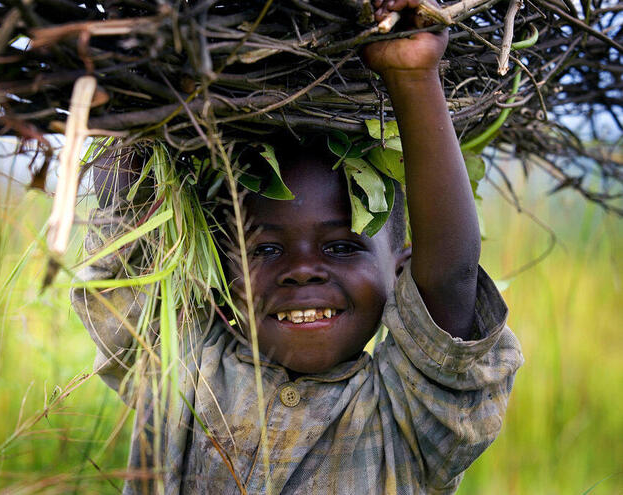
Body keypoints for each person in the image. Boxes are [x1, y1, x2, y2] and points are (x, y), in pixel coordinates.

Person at [71, 0, 523, 493]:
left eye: (341, 247)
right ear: (221, 275)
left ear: (402, 274)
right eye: (264, 250)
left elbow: (450, 281)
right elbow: (127, 248)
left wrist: (414, 79)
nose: (303, 270)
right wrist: (125, 85)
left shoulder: (409, 419)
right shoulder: (181, 369)